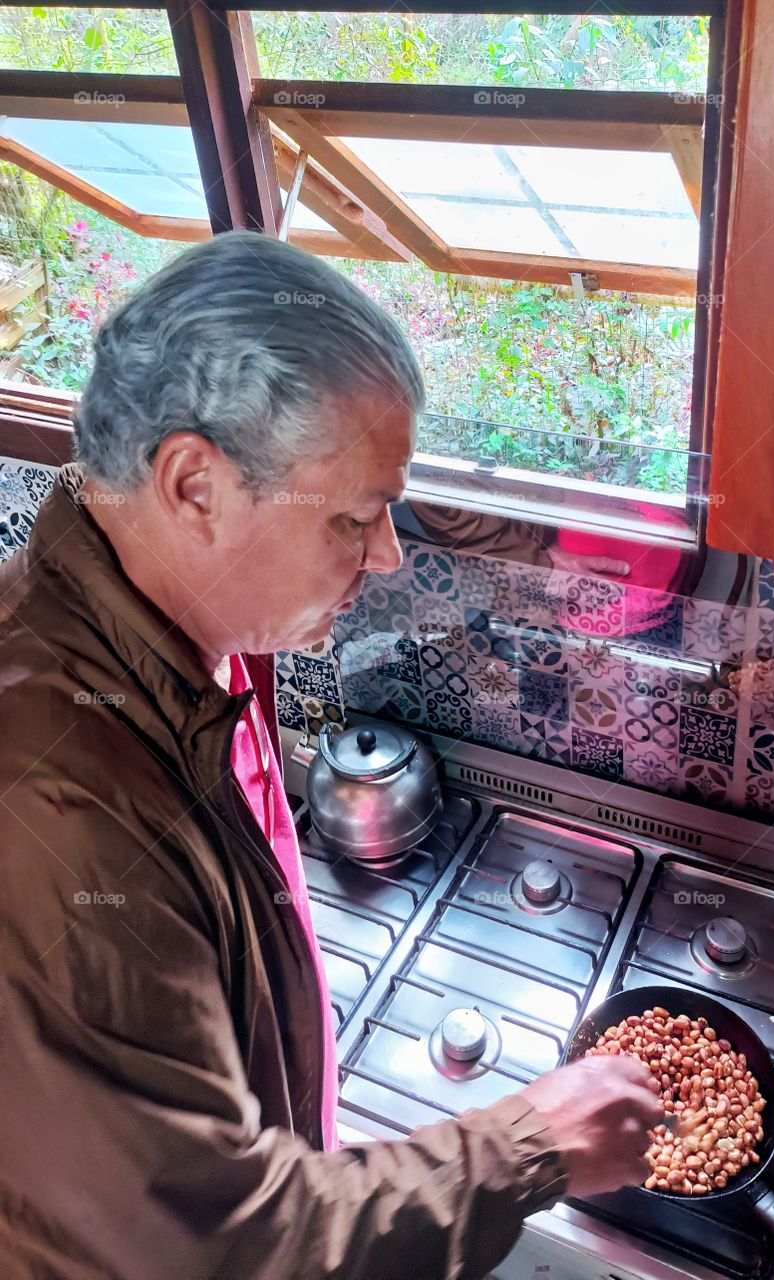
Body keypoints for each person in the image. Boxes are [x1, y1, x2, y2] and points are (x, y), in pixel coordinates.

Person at [0, 231, 662, 1279]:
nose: (388, 553)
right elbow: (216, 1250)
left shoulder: (188, 638)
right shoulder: (54, 811)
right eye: (354, 515)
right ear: (193, 485)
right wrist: (532, 1143)